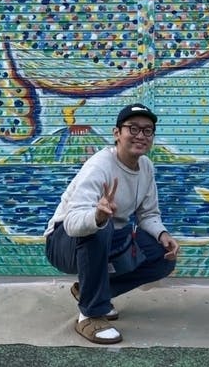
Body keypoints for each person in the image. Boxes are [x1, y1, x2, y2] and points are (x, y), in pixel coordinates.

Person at [44, 103, 180, 345]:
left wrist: (162, 234)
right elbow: (73, 223)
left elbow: (147, 214)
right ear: (117, 133)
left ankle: (90, 291)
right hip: (63, 243)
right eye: (133, 128)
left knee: (162, 257)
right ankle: (90, 315)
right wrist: (97, 216)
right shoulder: (99, 166)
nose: (140, 135)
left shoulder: (146, 167)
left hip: (106, 238)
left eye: (147, 130)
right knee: (101, 227)